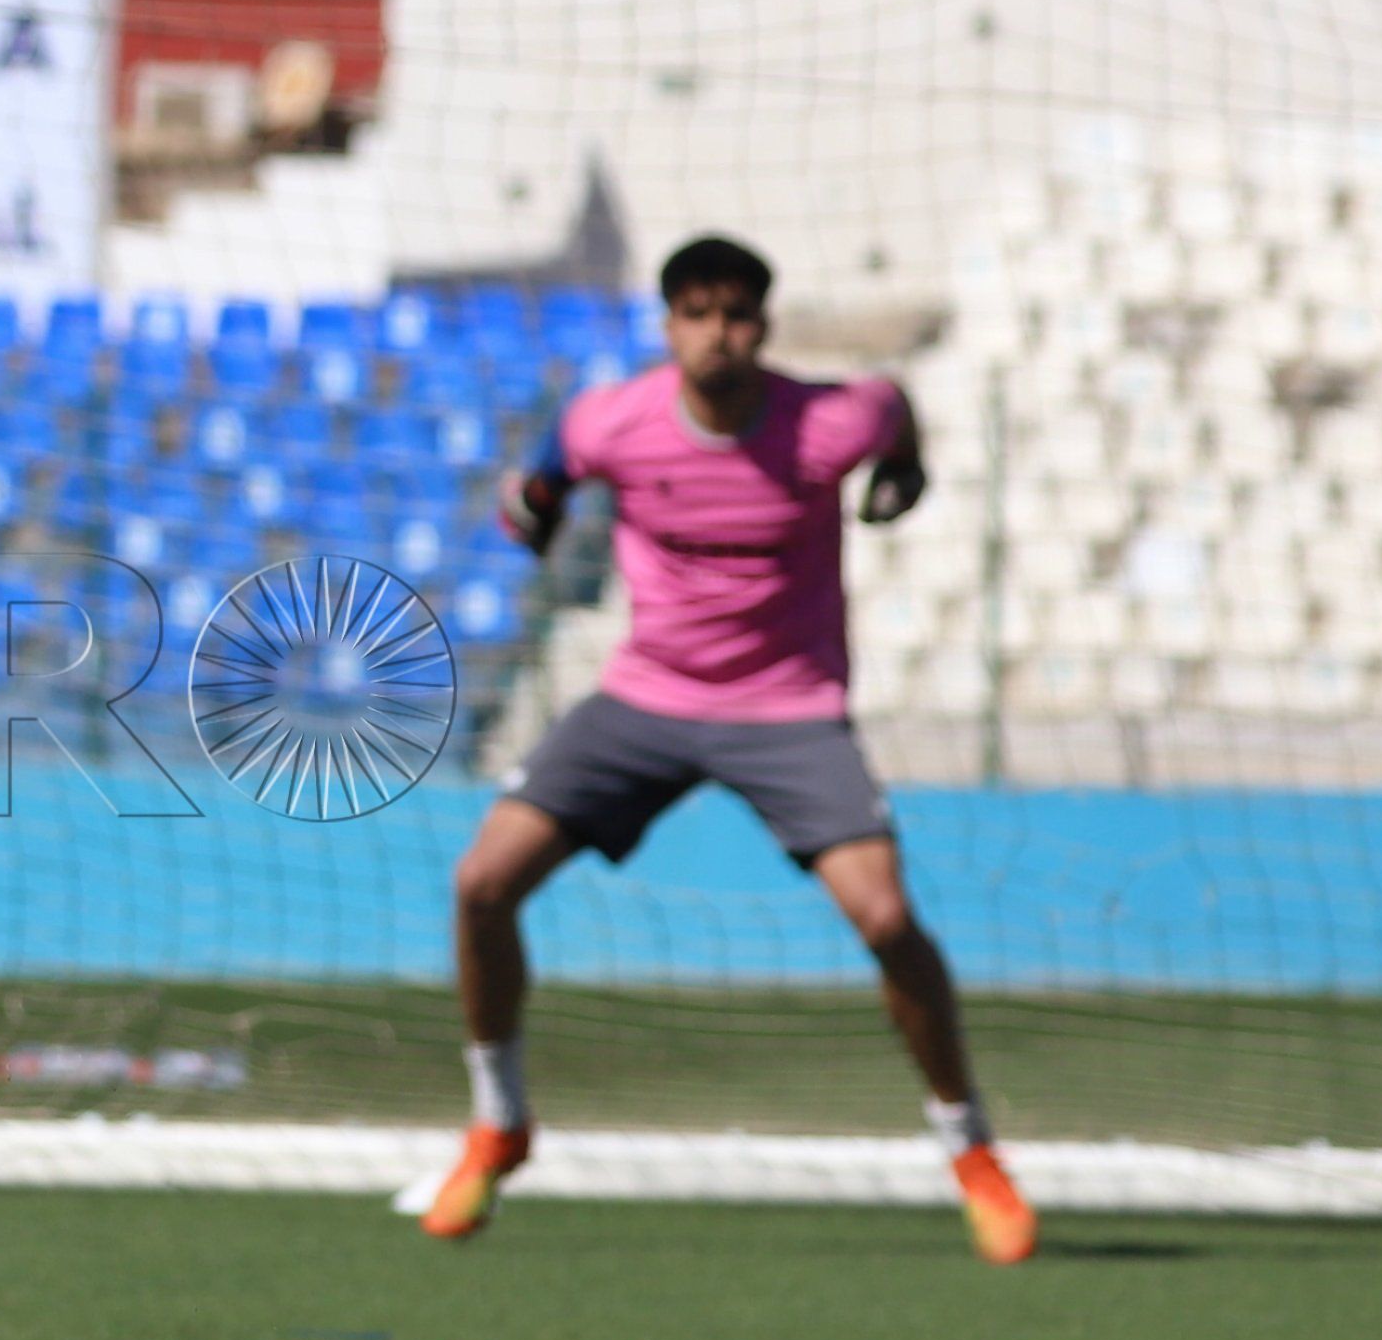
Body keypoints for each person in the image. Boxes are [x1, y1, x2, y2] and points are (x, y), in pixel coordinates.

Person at [434, 233, 1033, 1264]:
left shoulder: (828, 423)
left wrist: (905, 469)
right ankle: (498, 1123)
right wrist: (533, 506)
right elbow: (549, 469)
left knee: (887, 918)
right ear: (668, 327)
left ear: (764, 325)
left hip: (789, 708)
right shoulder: (612, 422)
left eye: (738, 314)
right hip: (644, 699)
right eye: (698, 314)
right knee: (482, 883)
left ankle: (972, 1151)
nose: (719, 334)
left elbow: (891, 410)